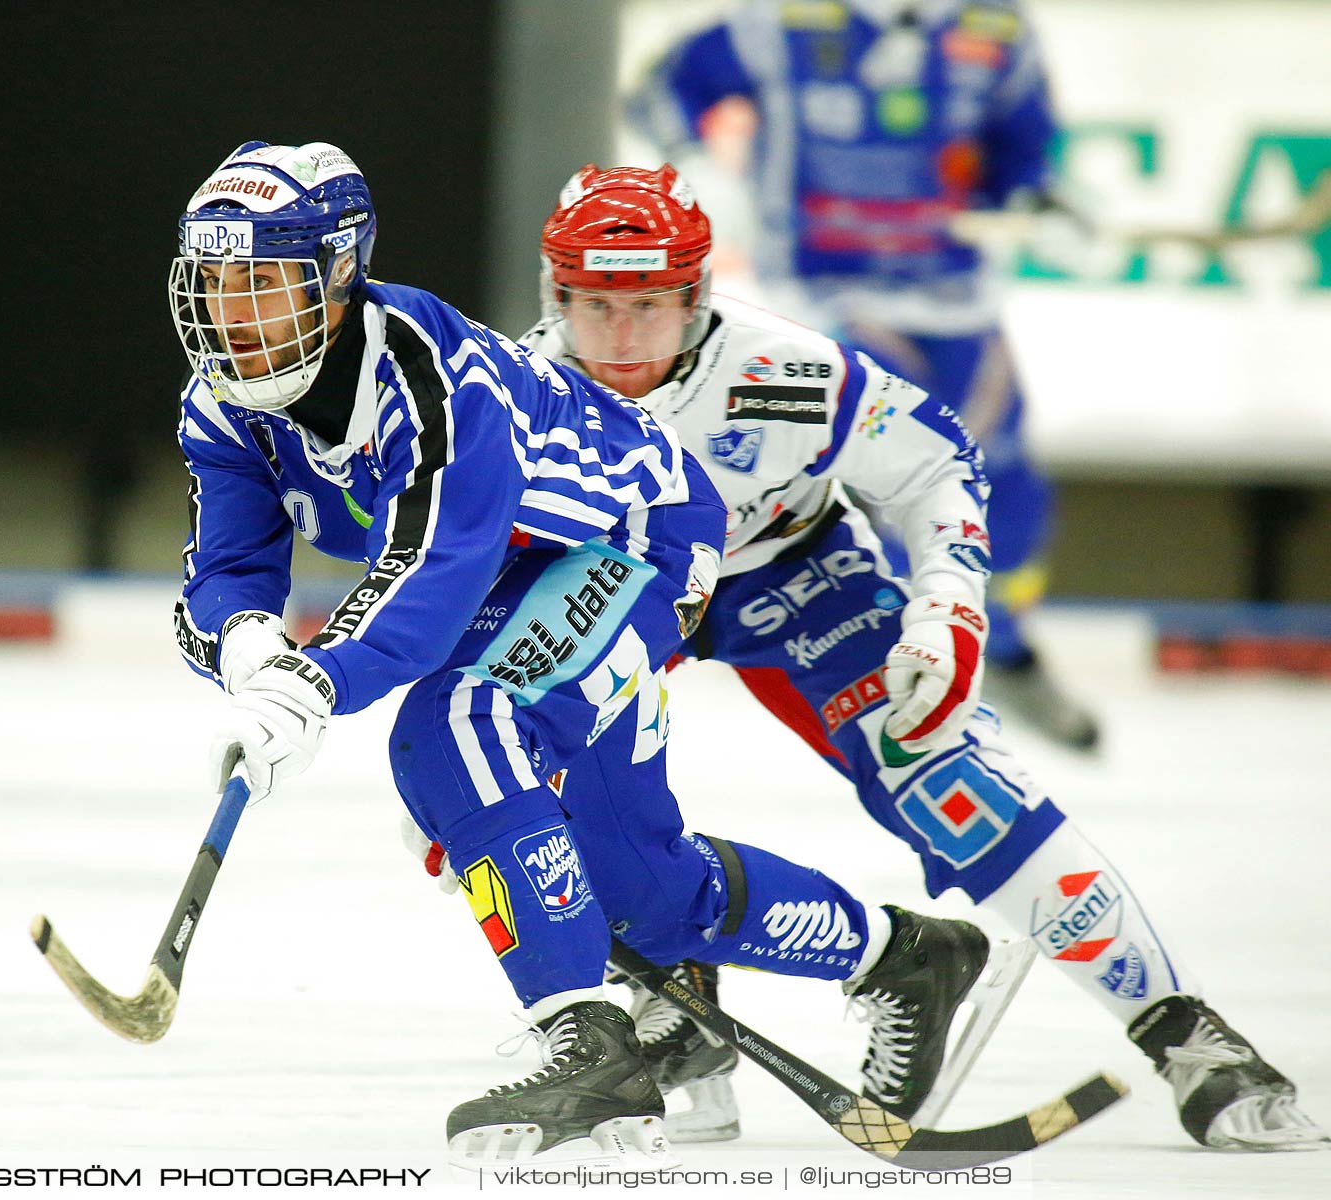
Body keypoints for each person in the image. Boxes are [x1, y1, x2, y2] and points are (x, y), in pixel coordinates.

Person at [169, 139, 1023, 1164]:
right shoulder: (219, 403)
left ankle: (586, 1039)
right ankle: (903, 958)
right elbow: (225, 573)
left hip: (642, 543)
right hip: (519, 570)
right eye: (214, 283)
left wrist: (323, 681)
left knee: (458, 726)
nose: (232, 312)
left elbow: (435, 571)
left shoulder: (434, 375)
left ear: (341, 274)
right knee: (635, 885)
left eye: (264, 281)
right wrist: (252, 652)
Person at [513, 160, 1328, 1151]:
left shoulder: (787, 371)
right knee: (530, 797)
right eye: (598, 305)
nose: (626, 338)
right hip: (617, 589)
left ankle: (1188, 1035)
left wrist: (945, 606)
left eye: (652, 304)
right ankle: (679, 1003)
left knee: (947, 781)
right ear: (556, 295)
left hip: (788, 577)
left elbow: (938, 460)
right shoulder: (509, 390)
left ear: (698, 293)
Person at [629, 0, 1099, 749]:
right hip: (825, 296)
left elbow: (1025, 141)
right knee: (898, 470)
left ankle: (1000, 647)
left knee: (1001, 484)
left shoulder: (994, 29)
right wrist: (692, 169)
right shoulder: (780, 22)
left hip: (954, 299)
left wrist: (1031, 186)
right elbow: (662, 88)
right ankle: (909, 682)